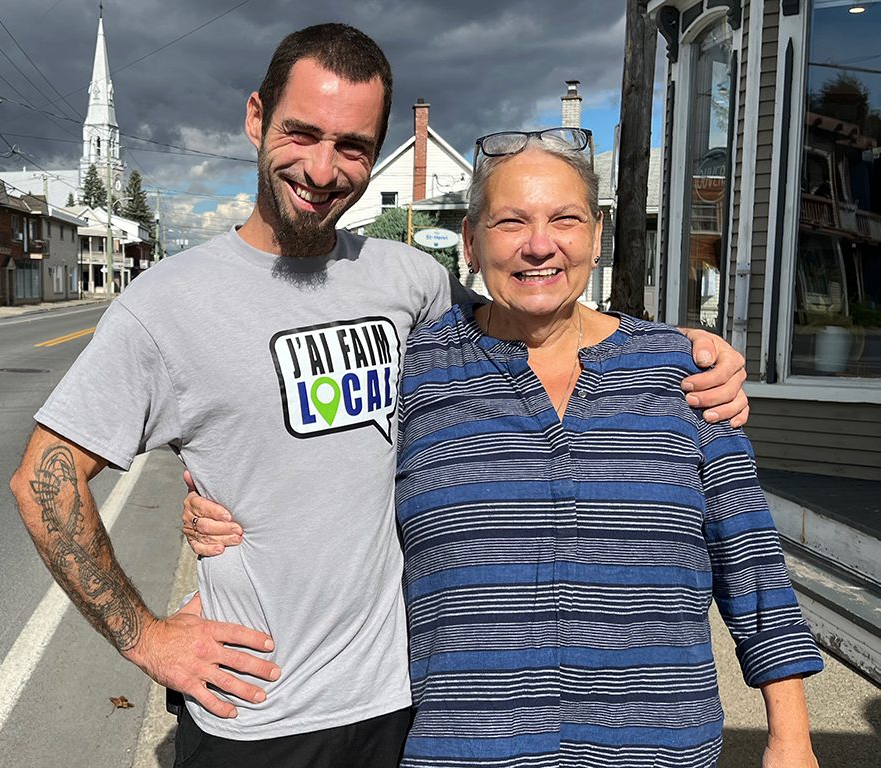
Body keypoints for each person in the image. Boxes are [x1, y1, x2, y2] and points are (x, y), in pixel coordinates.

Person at [10, 24, 749, 768]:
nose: (323, 168)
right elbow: (43, 482)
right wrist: (148, 639)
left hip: (406, 701)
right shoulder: (165, 305)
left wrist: (675, 345)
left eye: (354, 146)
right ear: (256, 118)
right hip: (263, 711)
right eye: (301, 132)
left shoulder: (411, 283)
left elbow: (535, 317)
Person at [185, 128, 822, 767]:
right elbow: (311, 466)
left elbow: (752, 561)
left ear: (597, 236)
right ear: (470, 242)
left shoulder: (682, 374)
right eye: (510, 221)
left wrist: (790, 738)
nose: (539, 245)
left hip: (658, 747)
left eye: (564, 220)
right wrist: (220, 503)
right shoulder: (413, 370)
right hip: (464, 749)